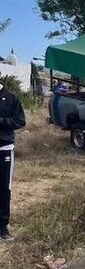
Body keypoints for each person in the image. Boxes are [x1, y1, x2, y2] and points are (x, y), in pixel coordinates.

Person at [0, 79, 25, 241]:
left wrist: (2, 121)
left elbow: (20, 121)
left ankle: (2, 227)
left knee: (3, 188)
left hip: (4, 149)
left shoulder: (10, 97)